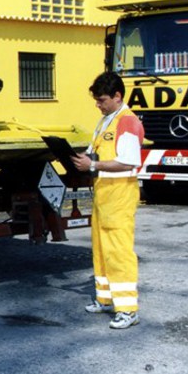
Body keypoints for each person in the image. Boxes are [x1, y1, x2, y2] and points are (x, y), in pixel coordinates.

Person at [71, 71, 145, 329]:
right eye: (96, 100)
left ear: (117, 96)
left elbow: (128, 161)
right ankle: (105, 298)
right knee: (101, 249)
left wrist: (93, 165)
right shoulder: (106, 120)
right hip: (104, 192)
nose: (98, 104)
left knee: (119, 251)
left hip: (120, 193)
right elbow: (98, 152)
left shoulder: (127, 122)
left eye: (102, 100)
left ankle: (127, 309)